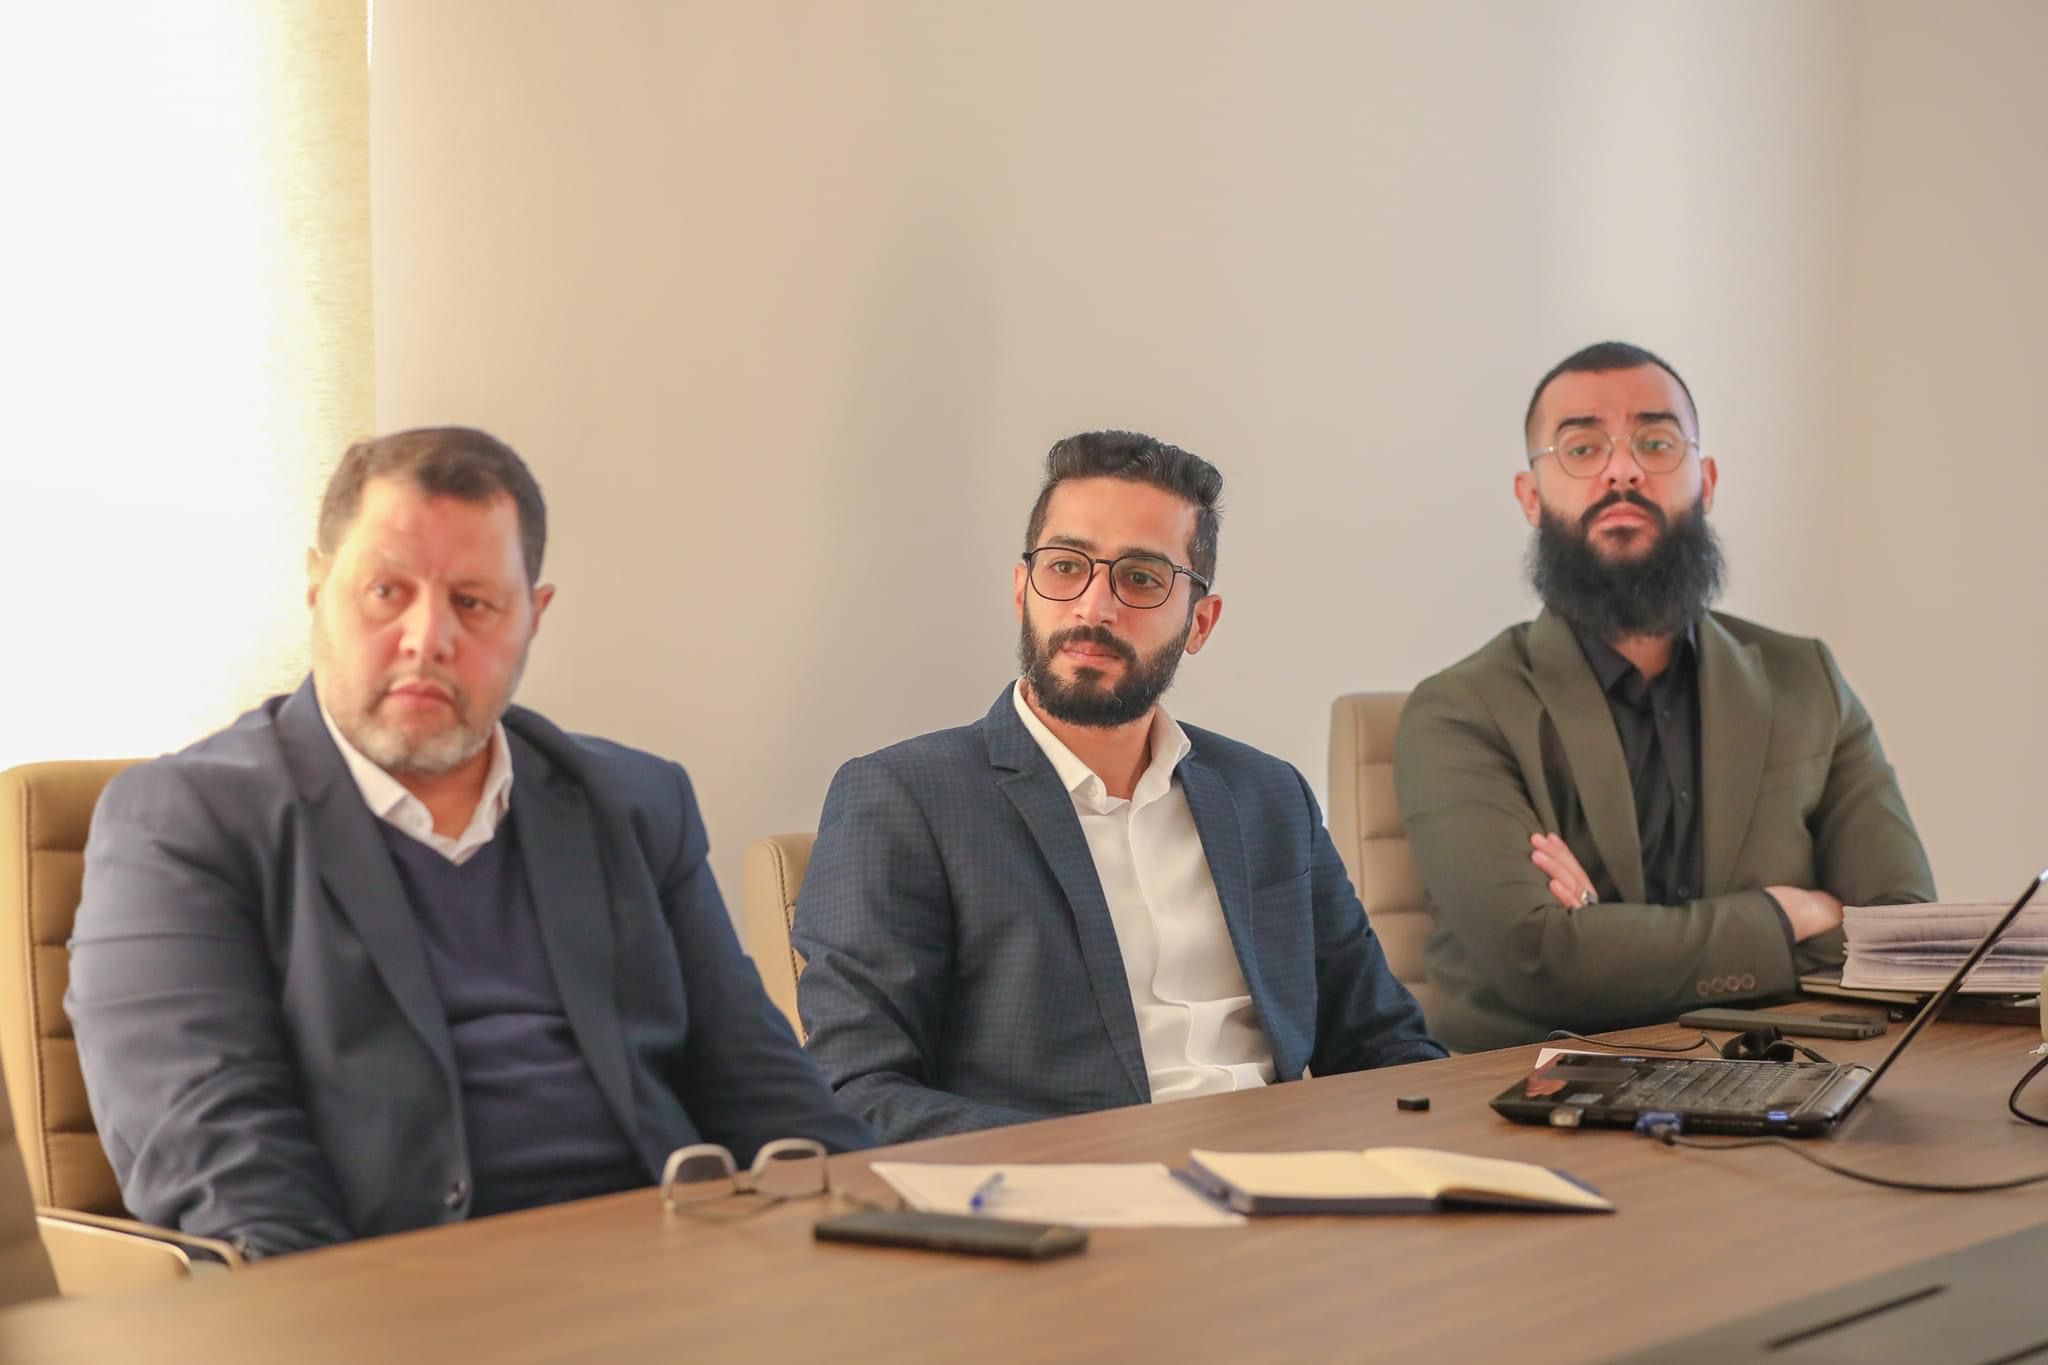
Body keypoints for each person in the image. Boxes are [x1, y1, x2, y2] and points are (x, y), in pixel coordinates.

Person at [68, 427, 869, 1260]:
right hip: (385, 1295)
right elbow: (225, 1170)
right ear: (316, 588)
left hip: (668, 1271)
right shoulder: (181, 821)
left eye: (474, 602)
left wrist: (871, 1255)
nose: (427, 637)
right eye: (386, 591)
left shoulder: (630, 802)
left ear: (534, 616)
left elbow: (774, 1101)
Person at [793, 430, 1443, 1143]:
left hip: (1289, 1178)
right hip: (1069, 1194)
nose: (1094, 608)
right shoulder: (903, 798)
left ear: (1200, 622)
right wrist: (1096, 1165)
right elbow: (855, 1091)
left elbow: (1387, 1048)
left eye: (1140, 577)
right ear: (1022, 590)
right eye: (1065, 566)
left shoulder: (1268, 796)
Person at [1395, 342, 1935, 1052]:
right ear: (1531, 497)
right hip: (1538, 1085)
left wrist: (1606, 934)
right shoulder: (1461, 711)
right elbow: (1542, 958)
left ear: (1705, 482)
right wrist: (1790, 914)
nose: (1622, 470)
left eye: (1655, 442)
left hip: (1783, 1070)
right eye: (1582, 448)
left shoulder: (1805, 680)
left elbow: (1901, 937)